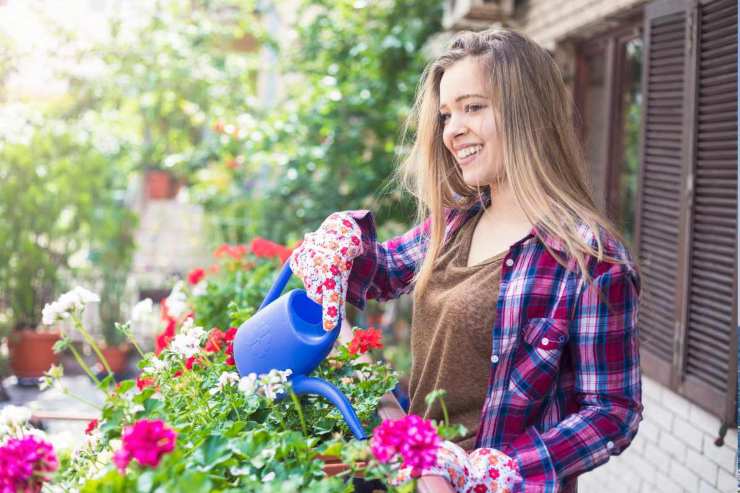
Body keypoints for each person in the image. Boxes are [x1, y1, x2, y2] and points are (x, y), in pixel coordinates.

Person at [289, 28, 642, 492]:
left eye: (473, 107)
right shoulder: (454, 226)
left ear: (526, 112)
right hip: (413, 478)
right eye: (446, 114)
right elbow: (381, 271)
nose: (453, 130)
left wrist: (494, 469)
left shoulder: (588, 258)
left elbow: (612, 412)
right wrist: (339, 246)